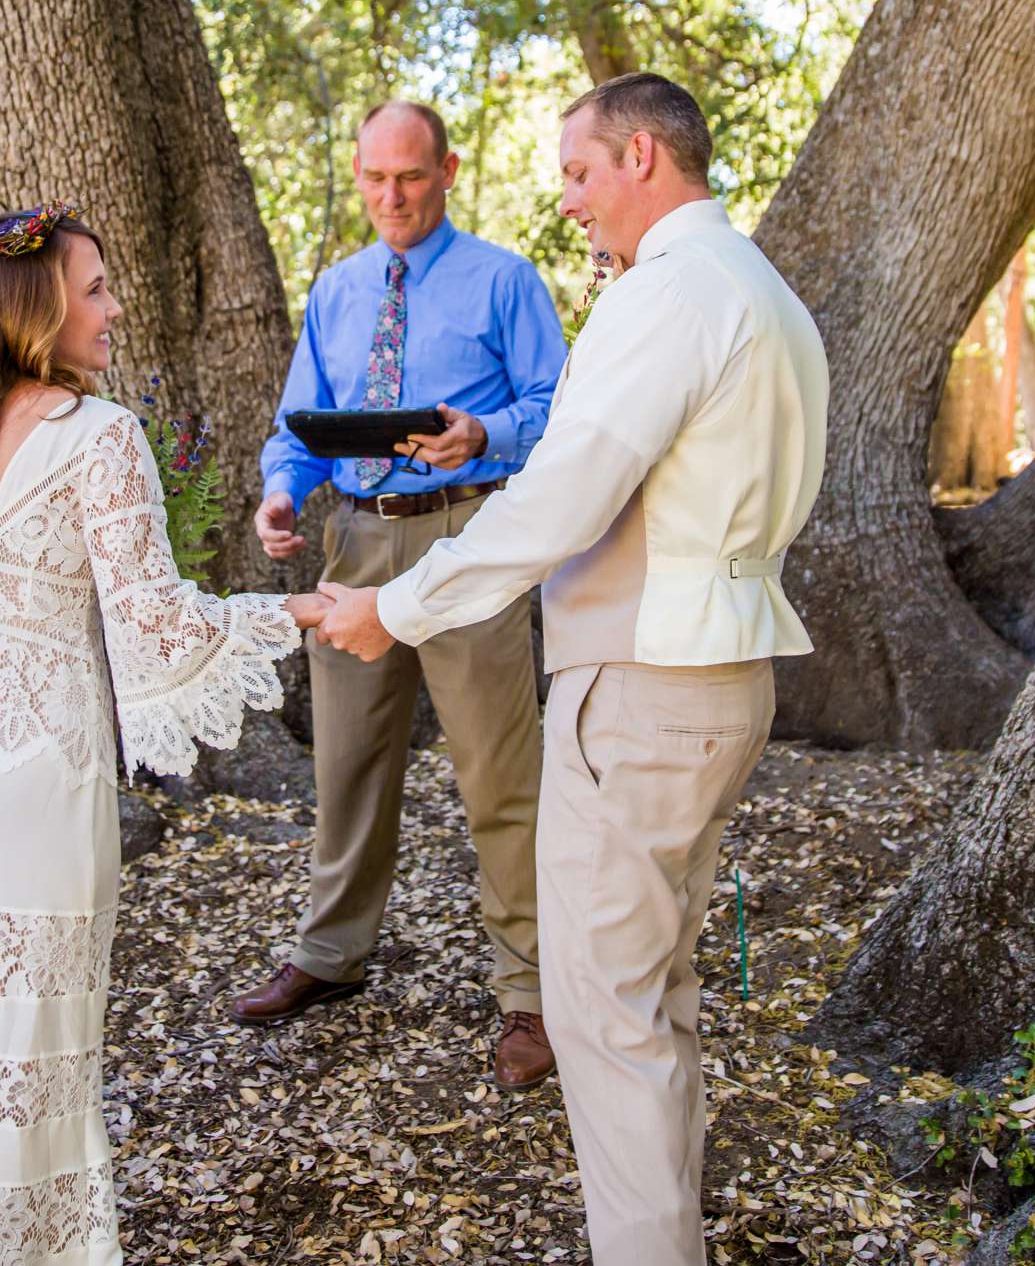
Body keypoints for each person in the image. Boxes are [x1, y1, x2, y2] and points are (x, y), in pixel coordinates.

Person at [317, 74, 829, 1265]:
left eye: (580, 174)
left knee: (604, 1018)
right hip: (722, 673)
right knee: (657, 996)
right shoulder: (762, 290)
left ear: (642, 158)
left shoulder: (666, 296)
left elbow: (558, 496)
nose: (571, 203)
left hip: (644, 687)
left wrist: (399, 604)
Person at [0, 204, 330, 1266]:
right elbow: (160, 628)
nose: (113, 306)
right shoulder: (102, 438)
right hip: (40, 779)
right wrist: (296, 612)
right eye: (93, 288)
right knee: (37, 1061)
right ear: (35, 309)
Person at [231, 101, 567, 1088]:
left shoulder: (504, 280)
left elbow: (560, 410)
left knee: (500, 775)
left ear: (449, 169)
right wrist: (281, 489)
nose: (392, 197)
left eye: (411, 177)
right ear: (356, 169)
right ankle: (330, 956)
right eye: (375, 177)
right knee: (347, 767)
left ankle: (532, 993)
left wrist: (486, 435)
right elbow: (299, 424)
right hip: (357, 534)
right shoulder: (336, 291)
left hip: (470, 533)